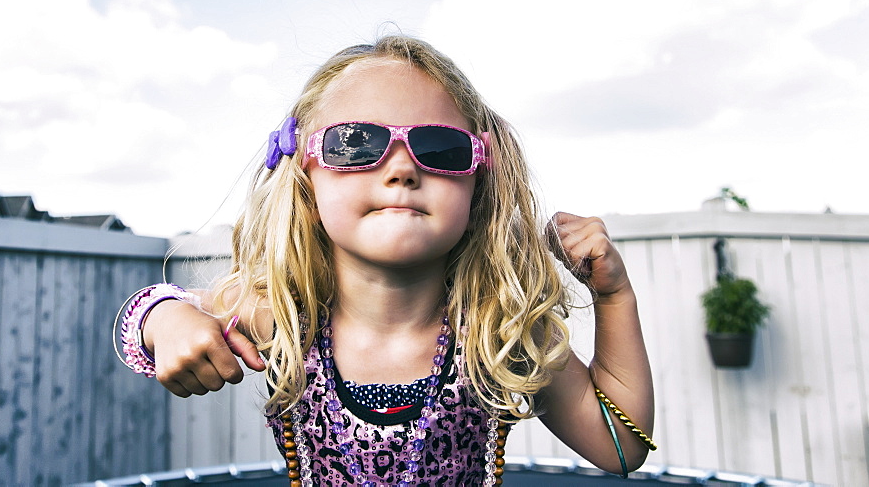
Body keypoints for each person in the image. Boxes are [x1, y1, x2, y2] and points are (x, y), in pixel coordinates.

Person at [118, 35, 655, 486]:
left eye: (440, 148)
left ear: (478, 178)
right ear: (306, 175)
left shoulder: (499, 331)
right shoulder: (285, 313)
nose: (401, 168)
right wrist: (166, 320)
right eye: (355, 144)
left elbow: (621, 447)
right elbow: (145, 312)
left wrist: (614, 296)